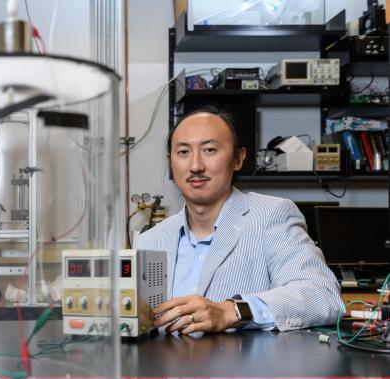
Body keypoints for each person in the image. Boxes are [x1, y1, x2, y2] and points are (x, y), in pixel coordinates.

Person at [134, 106, 343, 335]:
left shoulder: (271, 215)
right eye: (183, 152)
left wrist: (232, 311)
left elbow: (323, 296)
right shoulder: (149, 241)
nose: (195, 166)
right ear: (171, 161)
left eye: (209, 150)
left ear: (238, 158)